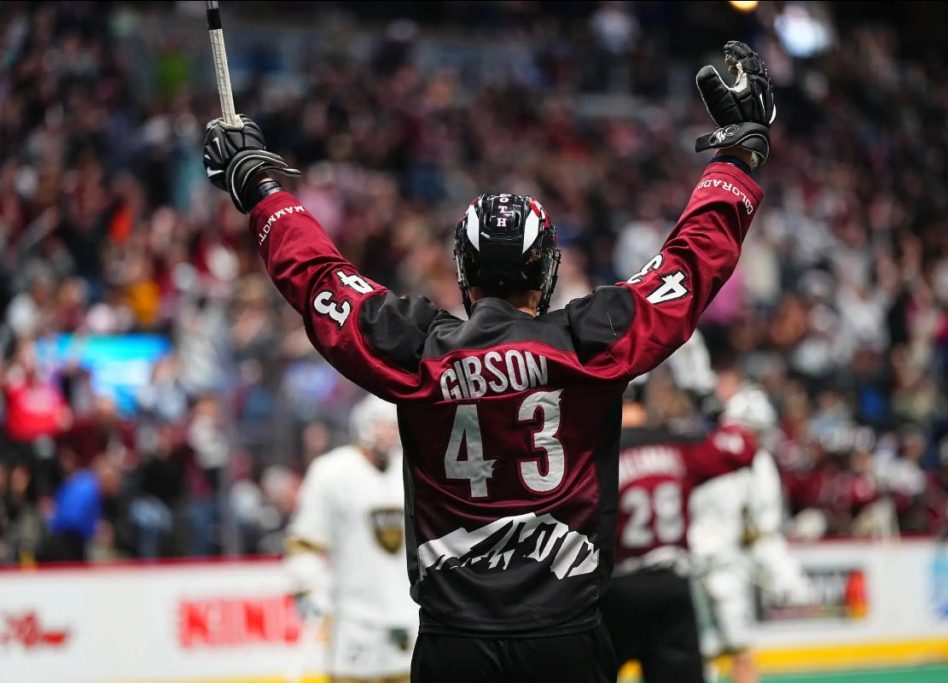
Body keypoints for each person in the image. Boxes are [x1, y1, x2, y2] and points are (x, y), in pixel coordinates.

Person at [203, 41, 775, 683]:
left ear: (463, 270)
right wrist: (738, 160)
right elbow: (687, 267)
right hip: (567, 635)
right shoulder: (592, 341)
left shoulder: (416, 348)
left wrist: (262, 190)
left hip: (454, 642)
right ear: (549, 268)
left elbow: (320, 282)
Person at [600, 373, 759, 683]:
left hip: (615, 589)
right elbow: (742, 446)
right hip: (671, 586)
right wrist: (710, 408)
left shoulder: (597, 453)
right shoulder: (675, 444)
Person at [284, 393, 418, 683]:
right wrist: (307, 588)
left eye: (395, 426)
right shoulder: (331, 473)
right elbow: (305, 542)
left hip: (408, 616)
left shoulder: (412, 470)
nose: (391, 434)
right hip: (354, 621)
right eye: (384, 425)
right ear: (364, 427)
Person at [688, 381, 812, 683]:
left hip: (692, 563)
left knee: (702, 654)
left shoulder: (700, 449)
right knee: (741, 653)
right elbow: (762, 530)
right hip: (725, 565)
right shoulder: (755, 461)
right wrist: (788, 575)